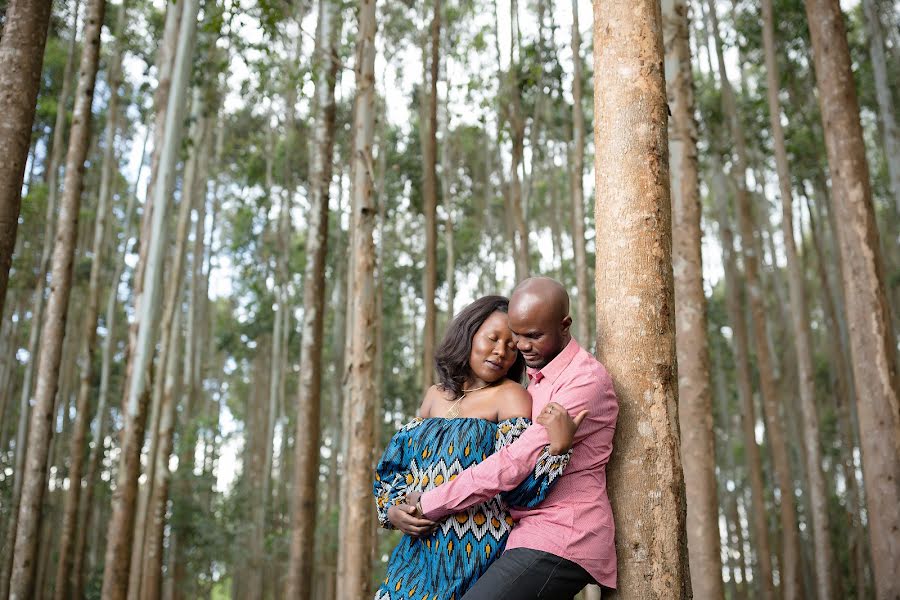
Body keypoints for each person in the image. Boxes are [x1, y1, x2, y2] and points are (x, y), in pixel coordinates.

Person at [405, 277, 619, 599]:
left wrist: (431, 502)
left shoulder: (582, 381)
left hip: (565, 536)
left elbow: (514, 461)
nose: (520, 346)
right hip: (523, 533)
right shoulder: (536, 381)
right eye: (517, 334)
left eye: (533, 336)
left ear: (565, 325)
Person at [373, 295, 586, 600]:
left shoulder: (511, 397)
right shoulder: (434, 396)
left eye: (512, 347)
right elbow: (395, 469)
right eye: (493, 338)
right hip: (417, 556)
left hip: (477, 552)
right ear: (469, 333)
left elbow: (519, 486)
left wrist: (558, 450)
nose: (501, 352)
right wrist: (392, 512)